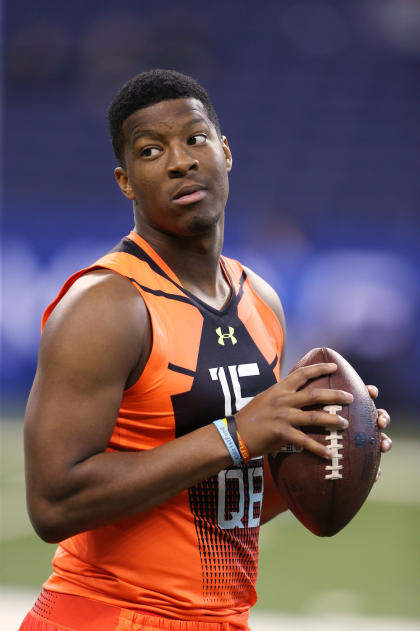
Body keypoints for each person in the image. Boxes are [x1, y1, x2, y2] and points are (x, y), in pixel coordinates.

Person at [20, 69, 391, 631]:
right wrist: (237, 434)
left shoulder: (259, 301)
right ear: (125, 181)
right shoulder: (107, 305)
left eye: (195, 139)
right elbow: (53, 506)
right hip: (111, 616)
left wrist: (324, 456)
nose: (180, 161)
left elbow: (218, 504)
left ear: (225, 151)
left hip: (221, 618)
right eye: (151, 150)